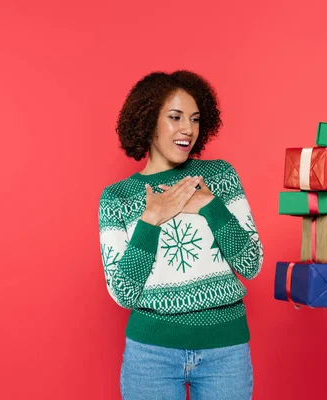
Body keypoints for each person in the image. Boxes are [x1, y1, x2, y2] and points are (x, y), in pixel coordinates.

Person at [98, 70, 263, 399]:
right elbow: (123, 293)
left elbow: (251, 263)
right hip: (151, 357)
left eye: (195, 119)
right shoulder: (116, 198)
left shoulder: (219, 176)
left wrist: (212, 207)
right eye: (175, 117)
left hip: (225, 351)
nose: (187, 129)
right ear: (148, 122)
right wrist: (151, 220)